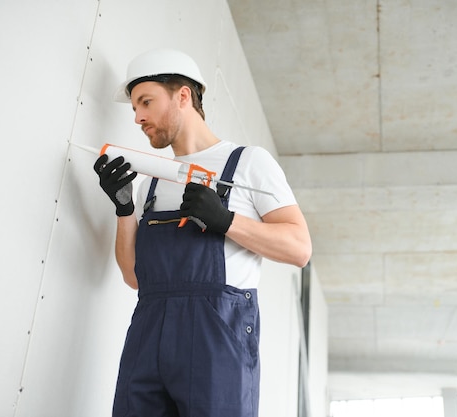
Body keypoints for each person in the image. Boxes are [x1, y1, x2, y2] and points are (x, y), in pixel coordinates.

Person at [93, 48, 312, 417]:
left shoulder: (247, 163)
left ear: (183, 96)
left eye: (145, 102)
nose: (138, 117)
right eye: (133, 109)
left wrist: (227, 222)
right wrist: (125, 209)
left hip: (217, 331)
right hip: (149, 327)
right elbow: (134, 277)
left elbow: (299, 248)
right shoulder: (151, 181)